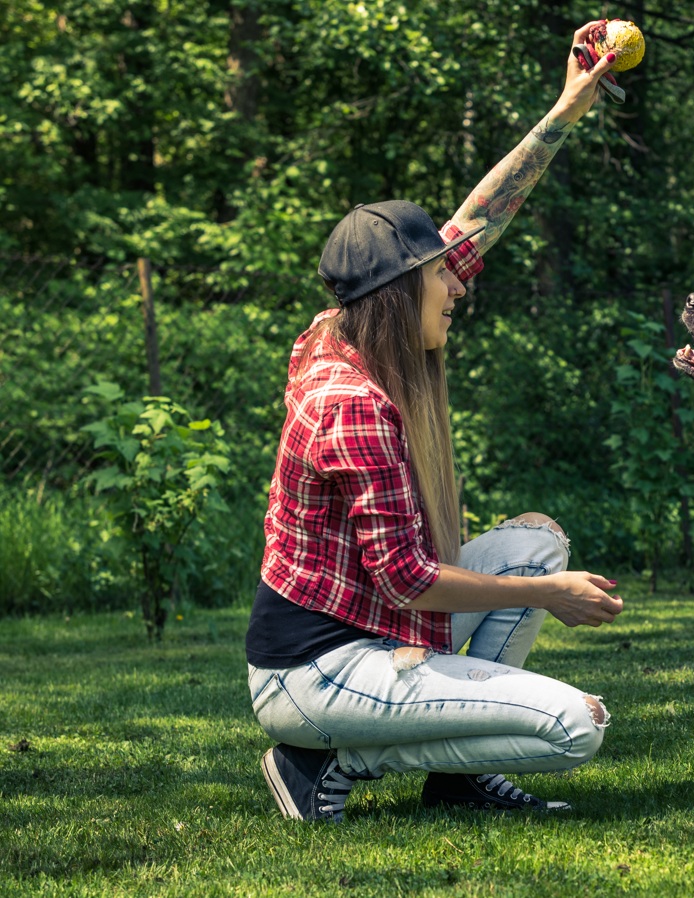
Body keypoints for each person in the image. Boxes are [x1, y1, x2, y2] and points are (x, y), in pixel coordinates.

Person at [246, 23, 626, 822]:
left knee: (533, 544)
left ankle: (456, 781)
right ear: (397, 292)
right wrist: (553, 597)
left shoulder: (345, 325)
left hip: (370, 638)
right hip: (318, 669)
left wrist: (569, 105)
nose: (457, 290)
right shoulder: (352, 406)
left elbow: (482, 216)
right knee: (574, 724)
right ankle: (320, 762)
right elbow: (410, 580)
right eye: (438, 281)